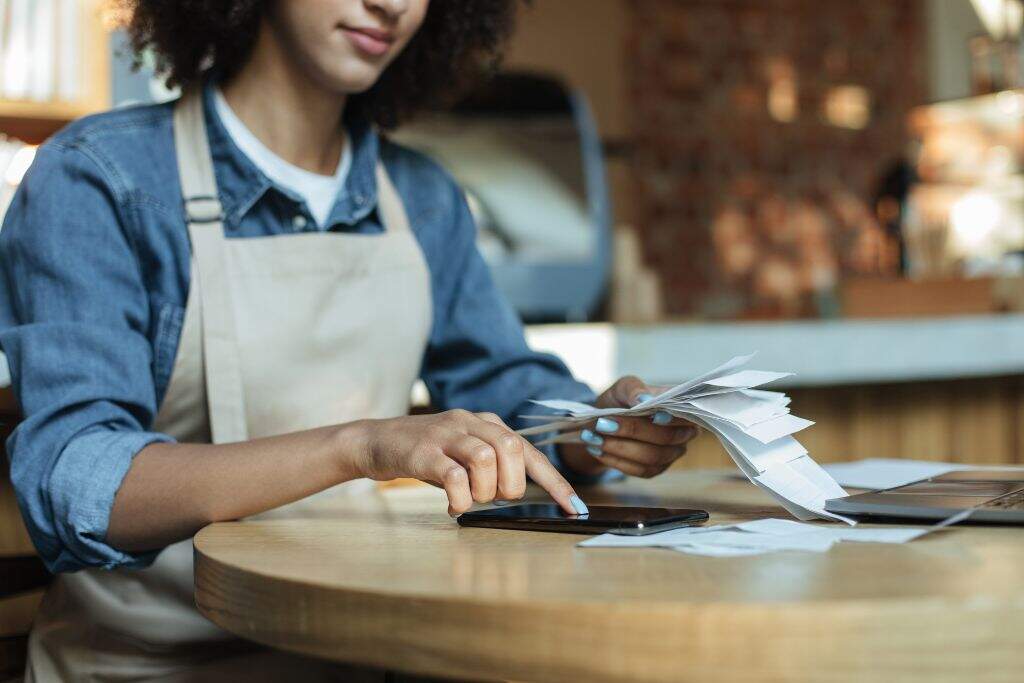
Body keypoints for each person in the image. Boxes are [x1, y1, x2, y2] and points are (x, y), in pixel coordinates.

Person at [0, 0, 698, 679]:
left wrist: (598, 428)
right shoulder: (102, 179)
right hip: (152, 664)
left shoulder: (422, 197)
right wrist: (361, 445)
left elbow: (509, 396)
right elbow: (81, 480)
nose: (390, 4)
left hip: (364, 653)